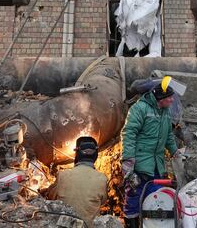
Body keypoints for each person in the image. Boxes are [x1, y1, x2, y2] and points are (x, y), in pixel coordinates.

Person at [121, 76, 179, 228]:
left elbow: (169, 136)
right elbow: (129, 133)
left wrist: (175, 152)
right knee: (134, 198)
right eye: (169, 97)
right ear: (160, 98)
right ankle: (132, 225)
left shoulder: (165, 112)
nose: (172, 100)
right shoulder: (139, 109)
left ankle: (151, 225)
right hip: (140, 164)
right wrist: (128, 161)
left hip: (156, 165)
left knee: (156, 200)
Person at [46, 136, 108, 227]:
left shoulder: (63, 175)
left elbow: (51, 196)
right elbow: (103, 201)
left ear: (77, 154)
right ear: (96, 155)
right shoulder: (102, 179)